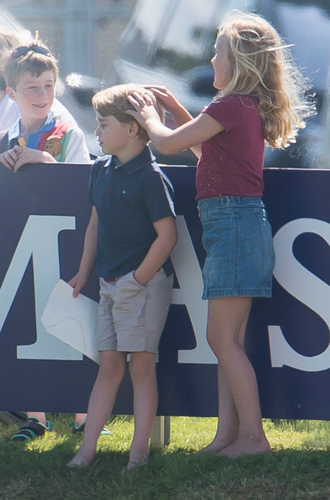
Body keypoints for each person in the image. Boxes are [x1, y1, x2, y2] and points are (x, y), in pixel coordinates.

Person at [126, 11, 314, 457]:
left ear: (238, 62)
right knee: (227, 340)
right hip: (237, 225)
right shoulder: (238, 108)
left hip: (232, 225)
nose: (211, 59)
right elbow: (202, 151)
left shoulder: (230, 105)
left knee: (221, 340)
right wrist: (174, 109)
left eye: (217, 52)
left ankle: (253, 437)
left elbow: (169, 145)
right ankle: (227, 434)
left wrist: (151, 118)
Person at [67, 83, 177, 470]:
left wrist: (139, 278)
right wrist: (84, 273)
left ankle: (139, 454)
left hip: (142, 287)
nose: (96, 131)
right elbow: (95, 225)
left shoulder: (150, 176)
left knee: (141, 367)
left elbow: (168, 235)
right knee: (110, 365)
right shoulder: (99, 170)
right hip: (109, 285)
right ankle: (86, 451)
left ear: (132, 129)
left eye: (103, 124)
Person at [0, 39, 91, 440]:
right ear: (11, 94)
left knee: (73, 326)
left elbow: (86, 188)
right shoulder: (5, 138)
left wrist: (47, 163)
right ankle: (35, 416)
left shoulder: (66, 132)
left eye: (49, 86)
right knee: (25, 325)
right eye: (32, 88)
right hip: (20, 252)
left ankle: (84, 416)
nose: (43, 95)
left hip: (68, 248)